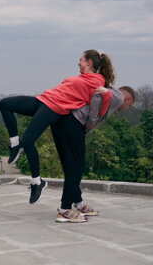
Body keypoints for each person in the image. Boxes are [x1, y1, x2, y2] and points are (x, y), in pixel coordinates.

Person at [0, 49, 114, 205]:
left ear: (89, 62)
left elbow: (101, 110)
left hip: (54, 107)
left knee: (28, 140)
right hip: (43, 100)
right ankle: (14, 143)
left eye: (81, 59)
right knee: (5, 104)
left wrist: (107, 95)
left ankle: (37, 182)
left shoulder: (97, 80)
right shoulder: (82, 77)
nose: (78, 62)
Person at [53, 85, 136, 223]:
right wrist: (91, 121)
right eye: (130, 105)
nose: (127, 108)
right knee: (75, 169)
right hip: (72, 124)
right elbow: (97, 95)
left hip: (65, 122)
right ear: (128, 99)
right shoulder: (117, 97)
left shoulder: (112, 97)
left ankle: (78, 203)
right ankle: (64, 210)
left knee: (72, 167)